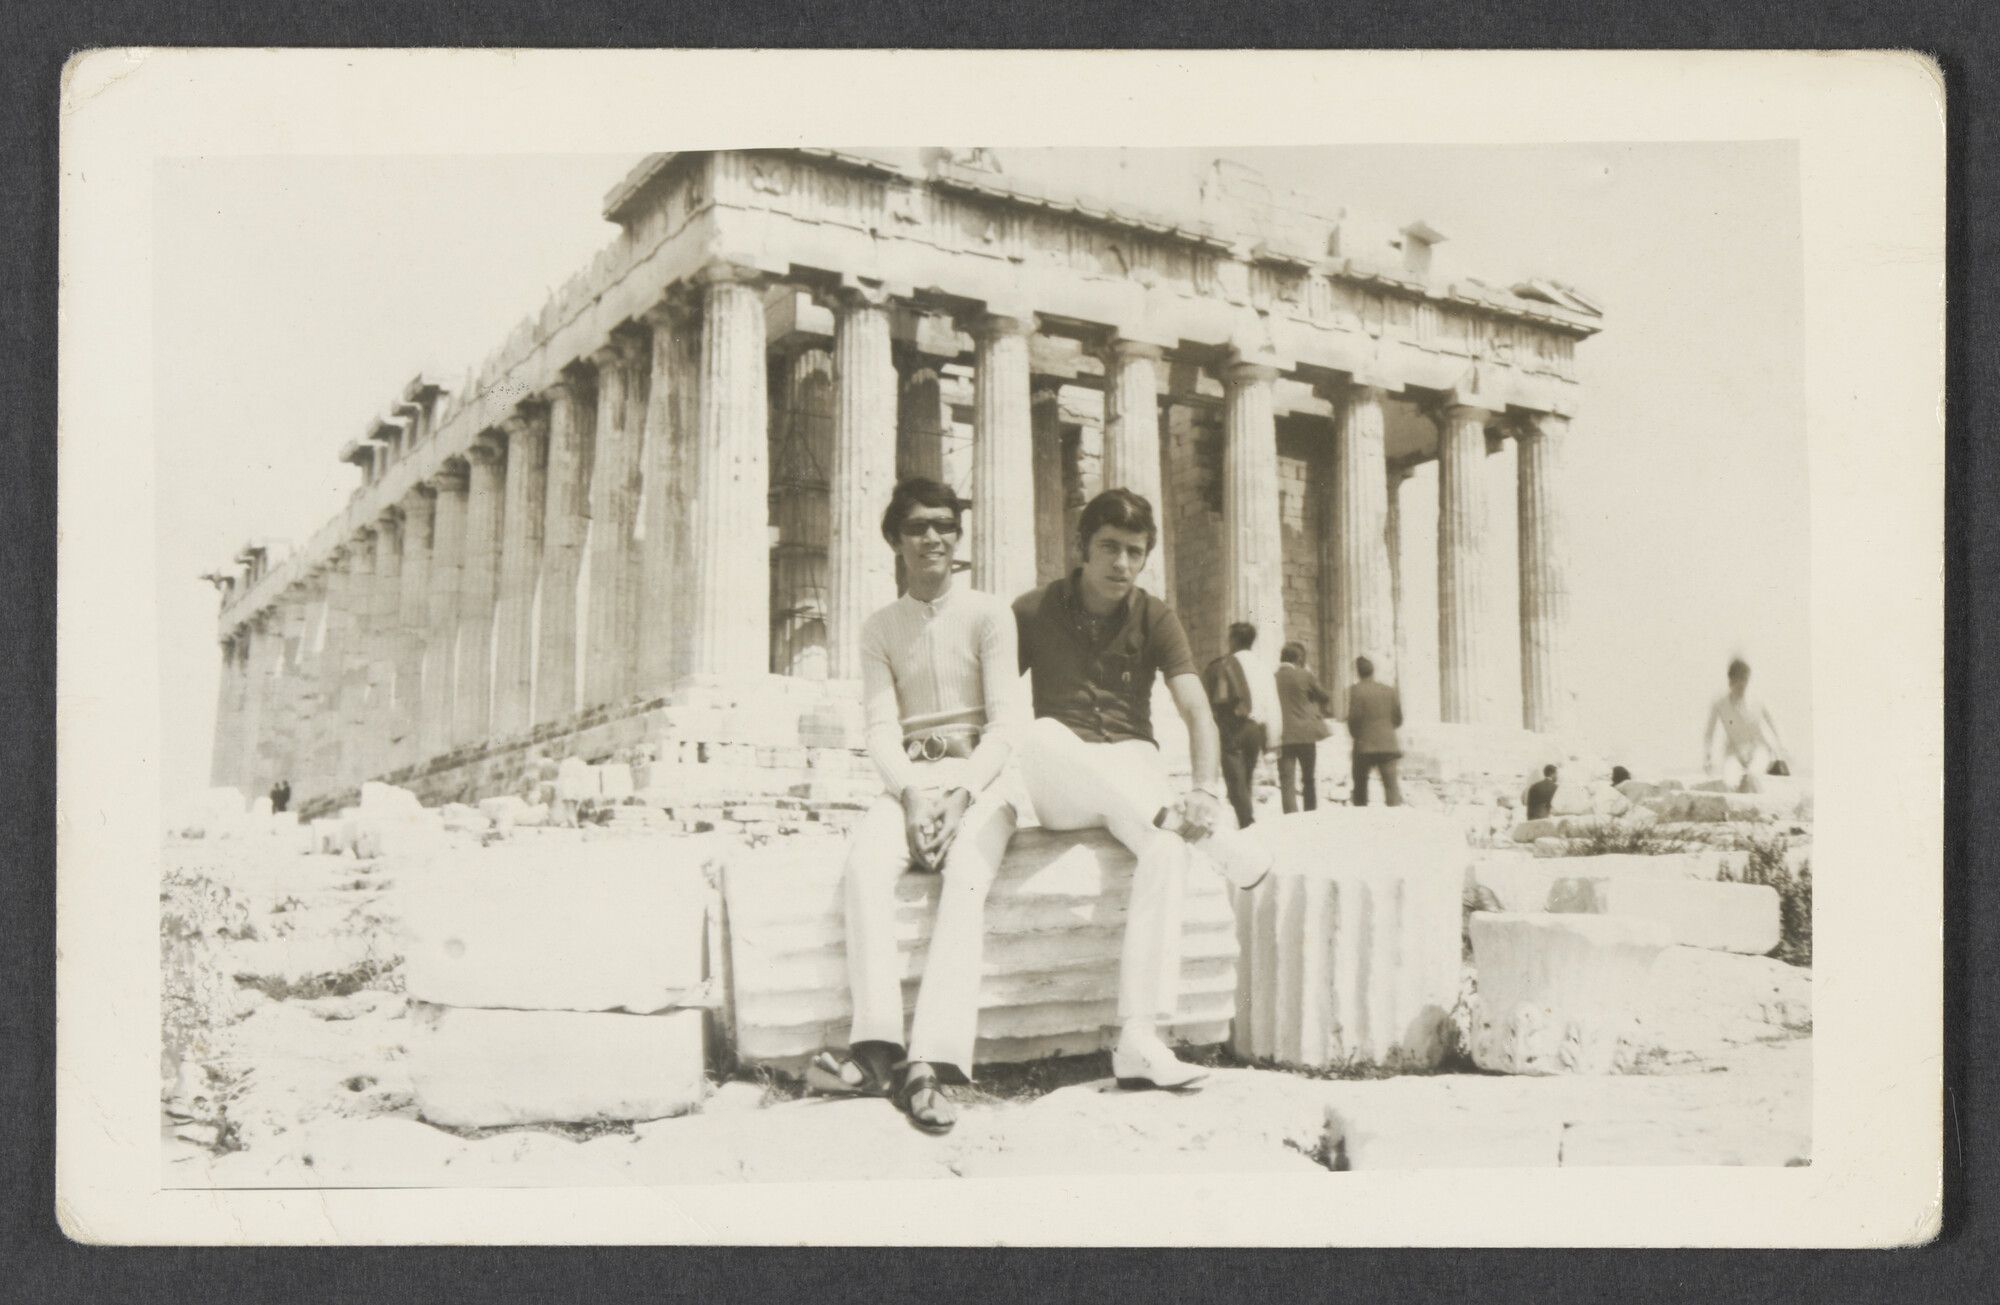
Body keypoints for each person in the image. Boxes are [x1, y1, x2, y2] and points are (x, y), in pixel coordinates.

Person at [1014, 488, 1271, 1092]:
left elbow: (1196, 711)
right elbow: (998, 706)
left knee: (1163, 850)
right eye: (1109, 547)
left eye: (1135, 551)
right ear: (1082, 549)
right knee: (1044, 733)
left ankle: (1139, 1039)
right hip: (1064, 776)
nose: (1122, 563)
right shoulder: (1031, 610)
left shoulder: (1156, 616)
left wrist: (1205, 790)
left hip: (1133, 769)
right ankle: (1191, 828)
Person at [809, 478, 1023, 1137]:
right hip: (908, 781)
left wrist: (962, 796)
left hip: (981, 780)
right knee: (865, 869)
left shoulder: (990, 613)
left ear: (958, 537)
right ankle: (877, 1049)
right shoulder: (878, 626)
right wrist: (910, 796)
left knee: (965, 878)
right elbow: (879, 727)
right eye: (917, 526)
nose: (933, 536)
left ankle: (930, 1059)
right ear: (896, 541)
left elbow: (1007, 723)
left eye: (945, 525)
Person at [1202, 623, 1270, 828]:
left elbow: (1206, 700)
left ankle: (1247, 823)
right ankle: (1246, 820)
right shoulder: (1262, 665)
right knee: (1246, 778)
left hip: (1231, 728)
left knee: (1235, 780)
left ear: (1232, 640)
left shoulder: (1221, 665)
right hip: (1255, 728)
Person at [1703, 658, 1791, 793]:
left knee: (1753, 777)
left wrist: (1783, 748)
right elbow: (1709, 732)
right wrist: (1708, 757)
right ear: (1731, 682)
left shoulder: (1758, 700)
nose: (1742, 687)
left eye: (1745, 682)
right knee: (1729, 783)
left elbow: (1774, 723)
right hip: (1733, 752)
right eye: (1739, 683)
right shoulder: (1720, 704)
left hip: (1758, 750)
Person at [1273, 641, 1332, 813]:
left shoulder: (1273, 677)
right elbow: (1325, 697)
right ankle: (1310, 814)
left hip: (1283, 735)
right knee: (1308, 778)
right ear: (1299, 659)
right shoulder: (1304, 675)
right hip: (1306, 734)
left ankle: (1290, 817)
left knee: (1286, 780)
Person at [1345, 656, 1403, 807]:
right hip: (1388, 744)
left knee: (1360, 789)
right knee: (1391, 788)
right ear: (1373, 671)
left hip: (1364, 746)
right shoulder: (1389, 690)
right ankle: (1395, 824)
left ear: (1358, 672)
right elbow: (1398, 718)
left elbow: (1353, 718)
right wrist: (1385, 731)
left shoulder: (1356, 689)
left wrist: (1358, 736)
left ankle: (1362, 825)